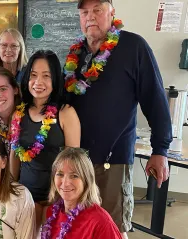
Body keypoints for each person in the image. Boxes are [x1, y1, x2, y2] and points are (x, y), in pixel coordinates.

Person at [64, 0, 172, 238]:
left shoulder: (133, 47)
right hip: (77, 162)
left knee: (111, 228)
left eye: (97, 10)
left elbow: (155, 101)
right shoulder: (75, 54)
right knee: (79, 227)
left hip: (113, 162)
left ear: (112, 12)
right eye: (84, 12)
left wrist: (160, 150)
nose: (90, 17)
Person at [9, 50, 81, 228]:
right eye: (33, 75)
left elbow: (73, 163)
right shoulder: (19, 113)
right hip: (25, 196)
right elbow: (14, 154)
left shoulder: (66, 113)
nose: (38, 82)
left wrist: (64, 199)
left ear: (55, 80)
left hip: (56, 198)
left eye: (46, 76)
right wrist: (11, 189)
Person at [41, 147, 122, 238]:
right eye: (60, 174)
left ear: (87, 181)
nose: (65, 183)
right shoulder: (52, 213)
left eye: (74, 176)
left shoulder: (101, 222)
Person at [0, 28, 28, 100]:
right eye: (4, 45)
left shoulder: (29, 74)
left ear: (20, 49)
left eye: (14, 46)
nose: (8, 50)